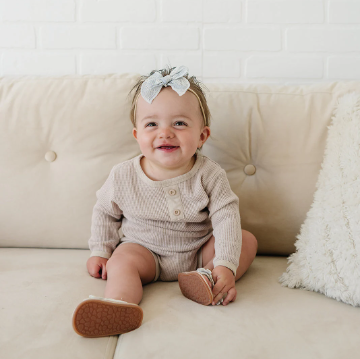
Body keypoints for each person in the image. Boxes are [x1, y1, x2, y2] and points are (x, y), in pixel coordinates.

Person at [72, 65, 258, 338]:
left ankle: (207, 279)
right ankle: (119, 305)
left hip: (198, 251)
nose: (165, 133)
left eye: (179, 123)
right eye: (152, 124)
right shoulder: (123, 175)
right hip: (144, 252)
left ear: (202, 136)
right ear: (138, 136)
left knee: (247, 239)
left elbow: (226, 217)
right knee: (120, 262)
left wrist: (225, 264)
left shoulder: (210, 174)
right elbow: (104, 212)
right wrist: (101, 250)